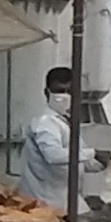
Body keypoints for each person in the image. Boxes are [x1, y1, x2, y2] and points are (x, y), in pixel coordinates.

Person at [17, 64, 81, 212]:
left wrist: (103, 160)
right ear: (47, 92)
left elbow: (79, 157)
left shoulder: (64, 123)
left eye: (69, 91)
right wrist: (92, 153)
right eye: (59, 91)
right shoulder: (45, 122)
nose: (65, 96)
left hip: (61, 201)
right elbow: (54, 155)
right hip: (43, 204)